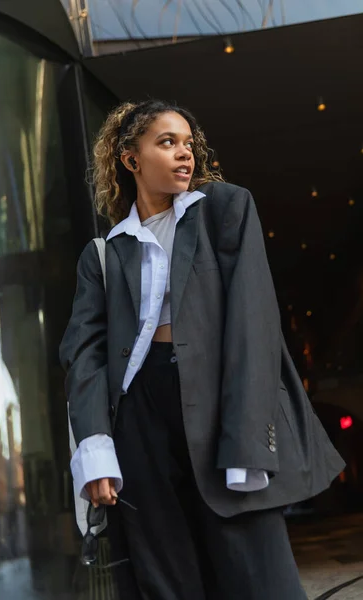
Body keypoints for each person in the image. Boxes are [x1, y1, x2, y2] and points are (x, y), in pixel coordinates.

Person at [60, 99, 345, 600]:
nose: (184, 154)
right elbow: (85, 354)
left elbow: (252, 324)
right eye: (167, 143)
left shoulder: (225, 210)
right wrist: (96, 450)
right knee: (164, 578)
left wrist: (246, 439)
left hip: (217, 401)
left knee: (257, 574)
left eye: (189, 144)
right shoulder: (104, 252)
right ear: (131, 158)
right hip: (139, 414)